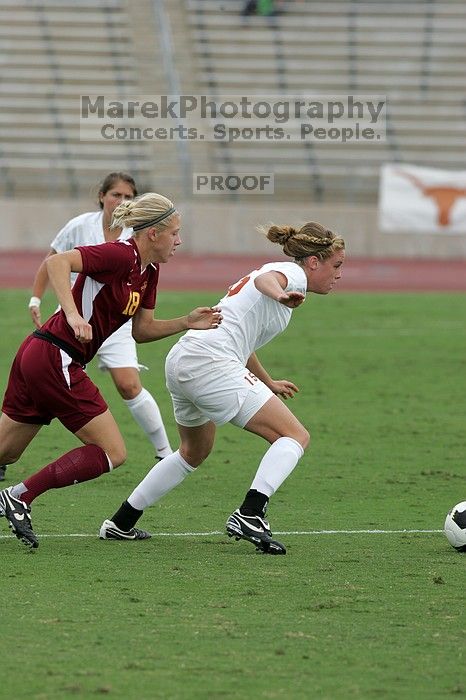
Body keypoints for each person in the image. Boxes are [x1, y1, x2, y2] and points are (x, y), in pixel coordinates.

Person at [100, 222, 345, 554]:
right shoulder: (290, 274)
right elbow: (266, 282)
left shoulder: (282, 274)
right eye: (336, 265)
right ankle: (251, 513)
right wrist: (281, 293)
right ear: (314, 262)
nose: (339, 274)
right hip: (209, 362)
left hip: (186, 358)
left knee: (193, 451)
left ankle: (120, 522)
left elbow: (243, 340)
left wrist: (267, 381)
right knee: (295, 436)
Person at [0, 193, 222, 549]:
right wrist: (72, 314)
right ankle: (19, 496)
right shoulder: (120, 254)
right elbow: (57, 263)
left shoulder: (149, 271)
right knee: (112, 452)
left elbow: (141, 330)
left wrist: (186, 322)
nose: (179, 241)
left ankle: (16, 495)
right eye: (174, 233)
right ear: (152, 233)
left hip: (44, 356)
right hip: (57, 356)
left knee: (6, 452)